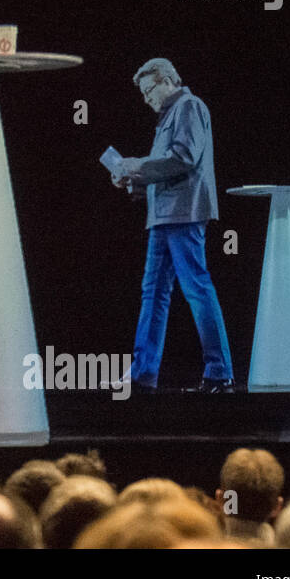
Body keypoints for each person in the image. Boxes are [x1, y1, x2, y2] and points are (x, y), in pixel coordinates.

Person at [112, 58, 234, 393]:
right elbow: (163, 170)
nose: (146, 98)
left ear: (168, 80)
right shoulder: (169, 116)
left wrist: (134, 166)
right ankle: (142, 374)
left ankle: (219, 372)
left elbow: (183, 158)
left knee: (195, 288)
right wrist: (134, 182)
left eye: (149, 89)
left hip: (183, 212)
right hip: (164, 215)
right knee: (153, 294)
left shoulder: (189, 107)